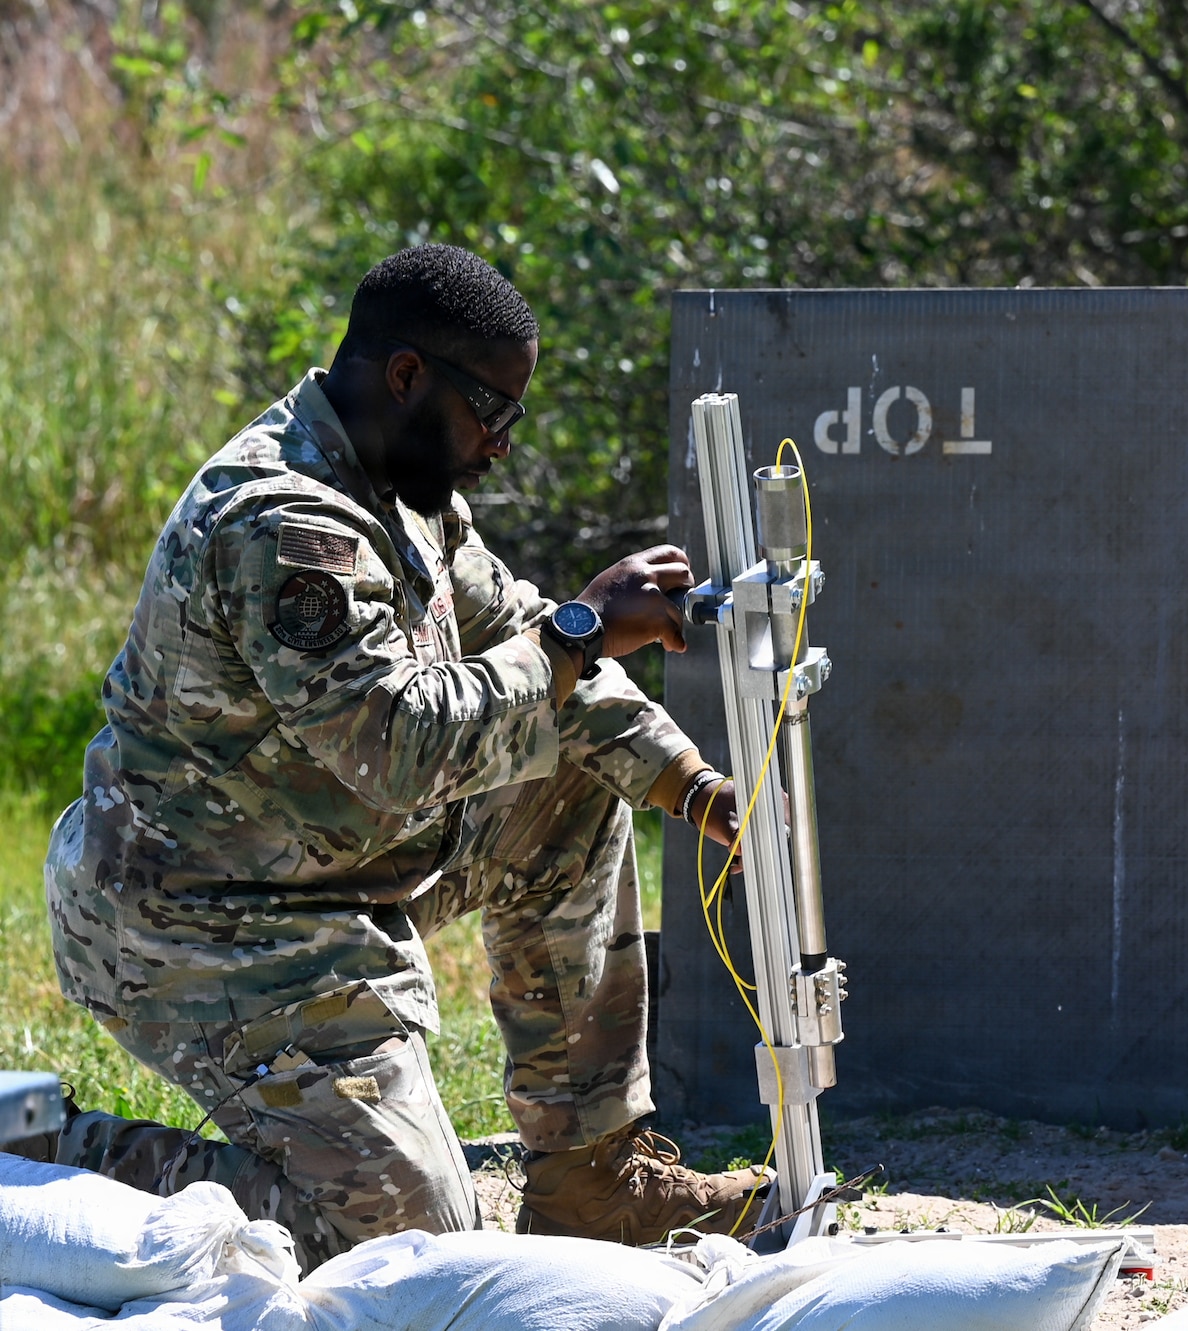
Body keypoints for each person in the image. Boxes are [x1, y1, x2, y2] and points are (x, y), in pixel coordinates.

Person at [26, 244, 764, 1269]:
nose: (500, 447)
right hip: (196, 922)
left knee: (568, 780)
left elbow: (525, 644)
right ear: (408, 376)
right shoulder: (283, 522)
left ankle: (587, 1176)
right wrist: (584, 625)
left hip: (328, 872)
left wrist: (700, 789)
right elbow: (402, 748)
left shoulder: (401, 487)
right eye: (492, 413)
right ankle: (47, 1151)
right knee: (401, 1241)